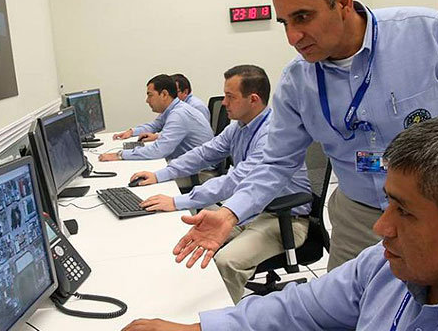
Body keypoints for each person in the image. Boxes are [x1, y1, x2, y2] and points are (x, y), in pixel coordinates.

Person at [171, 0, 438, 273]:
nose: (292, 37)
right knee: (351, 301)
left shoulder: (426, 34)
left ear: (343, 1)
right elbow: (276, 163)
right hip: (359, 218)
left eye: (302, 17)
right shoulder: (297, 82)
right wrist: (230, 213)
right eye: (284, 22)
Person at [122, 114, 438, 331]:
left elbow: (244, 175)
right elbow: (298, 308)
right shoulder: (381, 266)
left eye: (405, 212)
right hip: (256, 212)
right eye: (389, 203)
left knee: (226, 260)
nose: (380, 228)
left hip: (285, 216)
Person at [131, 65, 311, 303]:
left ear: (253, 99)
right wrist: (160, 174)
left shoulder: (271, 135)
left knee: (226, 261)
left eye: (230, 96)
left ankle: (219, 318)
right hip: (247, 211)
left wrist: (177, 201)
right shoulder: (239, 126)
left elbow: (235, 181)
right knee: (183, 239)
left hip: (283, 219)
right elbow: (205, 153)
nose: (224, 102)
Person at [101, 74, 213, 162]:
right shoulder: (175, 108)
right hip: (190, 162)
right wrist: (131, 132)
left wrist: (120, 154)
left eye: (150, 95)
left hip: (199, 171)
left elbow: (159, 150)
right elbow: (155, 125)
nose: (147, 100)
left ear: (164, 94)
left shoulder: (179, 114)